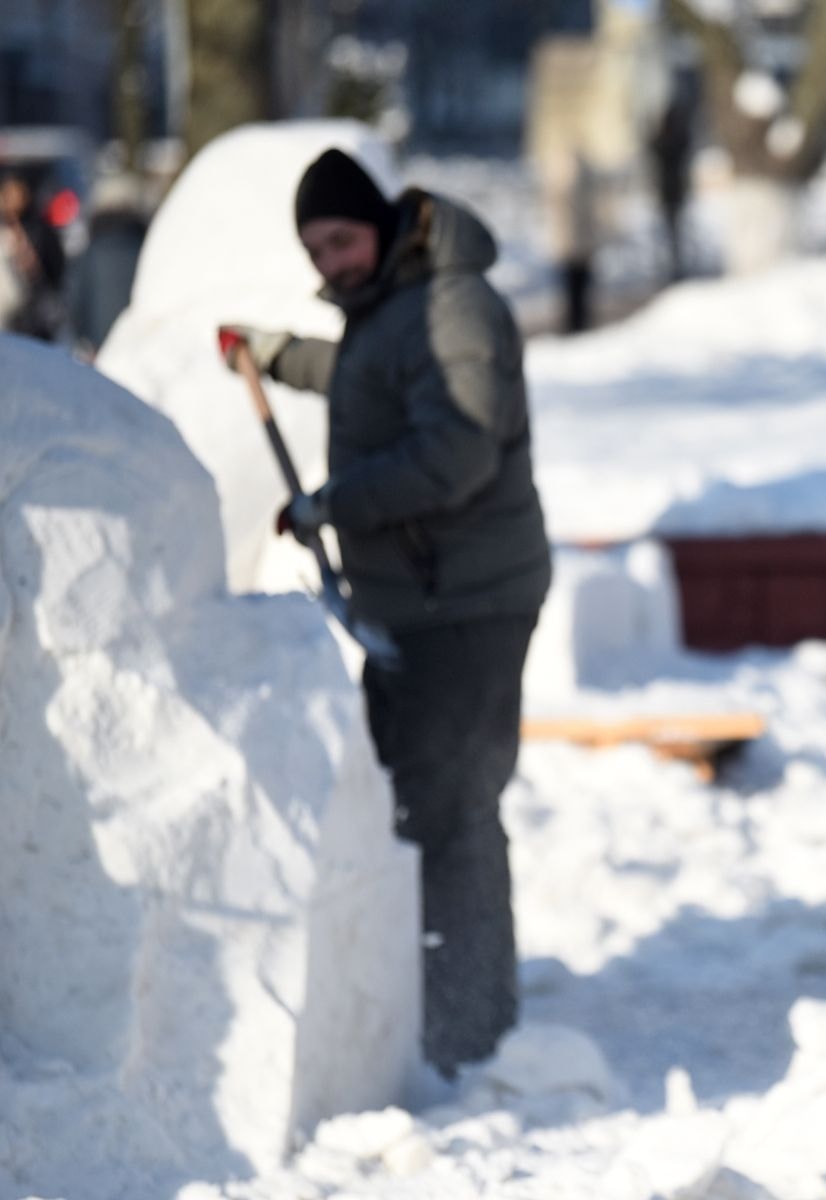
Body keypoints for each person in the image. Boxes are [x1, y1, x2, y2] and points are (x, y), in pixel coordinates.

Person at [220, 148, 553, 1078]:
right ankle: (443, 1009)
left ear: (382, 224)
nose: (330, 261)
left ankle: (470, 1030)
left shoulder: (456, 302)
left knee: (451, 809)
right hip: (420, 598)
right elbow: (375, 373)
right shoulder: (396, 307)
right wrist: (280, 356)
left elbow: (456, 449)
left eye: (341, 238)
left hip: (468, 601)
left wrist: (335, 503)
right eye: (315, 248)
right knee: (421, 802)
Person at [67, 172, 151, 357]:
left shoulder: (91, 251)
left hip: (101, 344)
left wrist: (85, 338)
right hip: (141, 343)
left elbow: (75, 299)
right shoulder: (146, 248)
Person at [0, 171, 68, 341]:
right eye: (8, 193)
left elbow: (56, 270)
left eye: (18, 192)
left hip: (34, 318)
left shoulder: (40, 230)